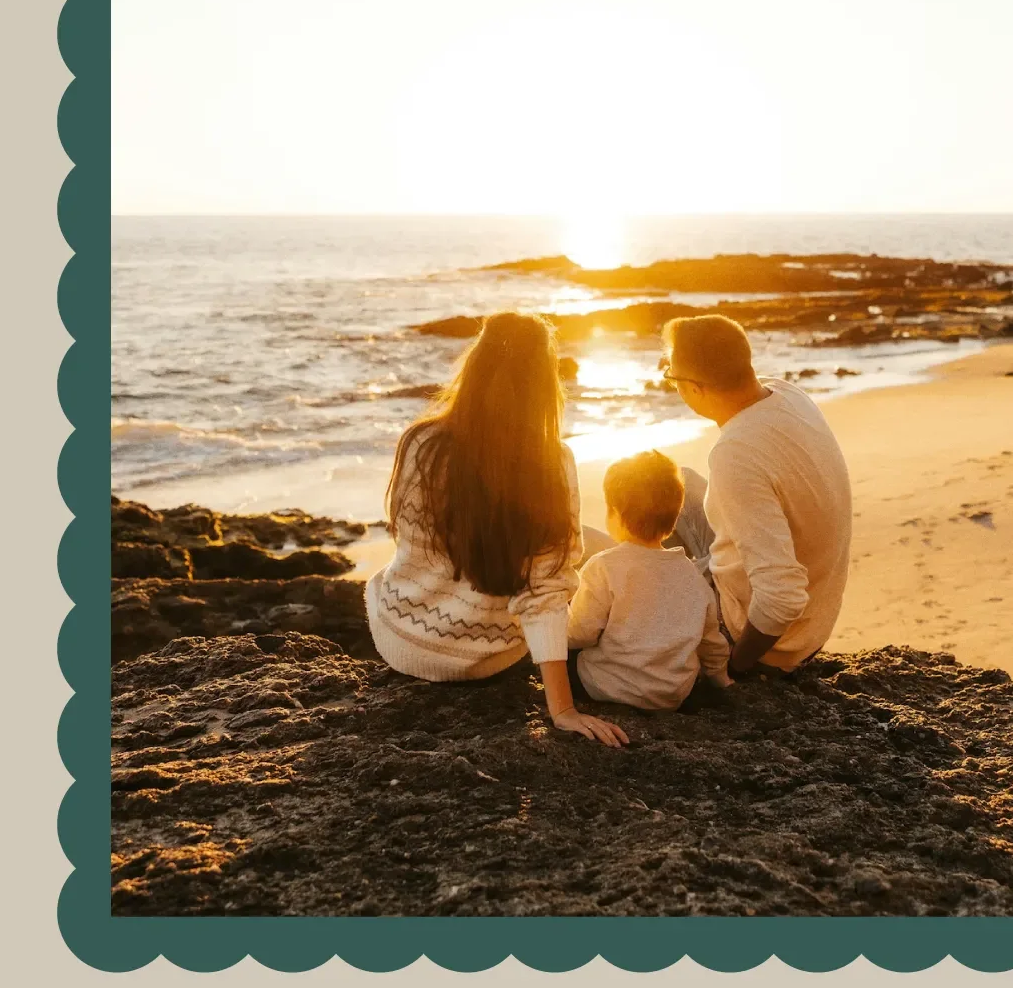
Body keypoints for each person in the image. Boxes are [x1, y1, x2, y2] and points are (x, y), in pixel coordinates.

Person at [364, 312, 629, 747]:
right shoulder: (552, 462)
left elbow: (409, 543)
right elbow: (544, 594)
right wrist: (561, 708)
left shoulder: (420, 443)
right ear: (544, 383)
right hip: (487, 657)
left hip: (402, 641)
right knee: (583, 554)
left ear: (475, 364)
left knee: (382, 578)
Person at [660, 314, 852, 675]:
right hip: (816, 620)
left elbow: (782, 596)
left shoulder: (736, 454)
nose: (671, 384)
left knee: (610, 564)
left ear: (696, 388)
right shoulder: (786, 394)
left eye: (670, 376)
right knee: (676, 482)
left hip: (770, 641)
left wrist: (736, 667)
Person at [566, 449, 732, 711]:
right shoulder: (693, 577)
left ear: (615, 513)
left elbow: (579, 634)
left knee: (565, 653)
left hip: (608, 688)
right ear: (675, 517)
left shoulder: (602, 567)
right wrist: (720, 678)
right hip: (673, 694)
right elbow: (710, 641)